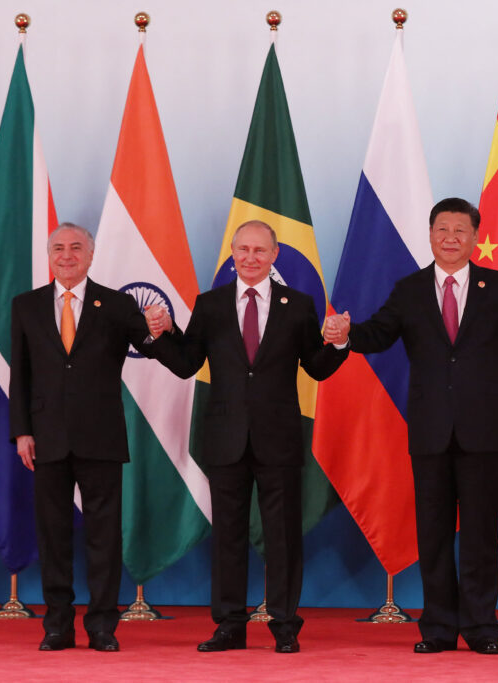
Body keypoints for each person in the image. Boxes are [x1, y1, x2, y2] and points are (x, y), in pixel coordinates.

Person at [323, 197, 498, 655]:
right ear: (430, 234)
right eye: (443, 229)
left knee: (481, 533)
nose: (451, 239)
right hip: (429, 431)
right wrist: (346, 335)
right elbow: (377, 333)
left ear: (475, 238)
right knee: (434, 534)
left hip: (485, 432)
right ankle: (438, 628)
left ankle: (481, 628)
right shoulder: (409, 289)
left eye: (461, 230)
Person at [146, 220, 348, 654]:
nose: (251, 257)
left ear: (274, 255)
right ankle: (229, 626)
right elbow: (186, 363)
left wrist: (338, 343)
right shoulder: (211, 304)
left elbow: (316, 366)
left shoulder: (299, 304)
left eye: (260, 250)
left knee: (283, 537)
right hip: (225, 438)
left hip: (279, 438)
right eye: (243, 249)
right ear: (232, 254)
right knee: (229, 536)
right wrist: (161, 336)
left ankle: (285, 626)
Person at [9, 223, 161, 652]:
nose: (67, 255)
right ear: (49, 255)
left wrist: (155, 328)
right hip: (45, 438)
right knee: (53, 536)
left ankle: (101, 626)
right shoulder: (27, 305)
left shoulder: (115, 303)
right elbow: (20, 372)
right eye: (59, 248)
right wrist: (21, 430)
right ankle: (57, 625)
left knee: (104, 537)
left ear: (91, 255)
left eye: (77, 247)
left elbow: (148, 344)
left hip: (101, 437)